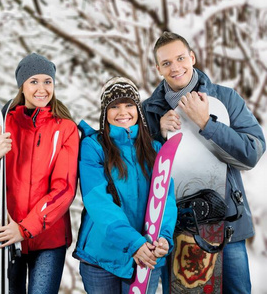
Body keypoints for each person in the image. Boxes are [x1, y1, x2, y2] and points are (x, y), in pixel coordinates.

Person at [142, 31, 266, 293]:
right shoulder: (148, 111)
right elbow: (137, 168)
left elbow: (252, 153)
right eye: (166, 63)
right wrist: (157, 134)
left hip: (227, 221)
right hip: (174, 226)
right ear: (158, 68)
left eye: (180, 58)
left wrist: (206, 124)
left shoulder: (226, 98)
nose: (175, 67)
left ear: (192, 57)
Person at [0, 53, 79, 294]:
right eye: (34, 81)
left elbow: (64, 189)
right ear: (22, 85)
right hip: (5, 235)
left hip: (48, 239)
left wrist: (24, 228)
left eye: (47, 82)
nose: (42, 89)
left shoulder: (66, 129)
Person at [73, 77, 177, 294]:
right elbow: (98, 202)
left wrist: (164, 237)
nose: (123, 112)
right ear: (105, 111)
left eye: (129, 105)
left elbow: (166, 198)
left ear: (138, 109)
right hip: (102, 257)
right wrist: (133, 243)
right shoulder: (94, 147)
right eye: (114, 106)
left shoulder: (155, 149)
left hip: (146, 256)